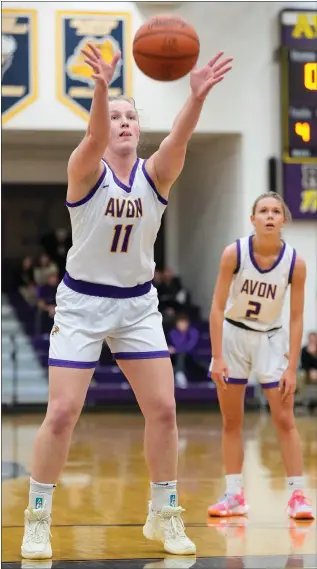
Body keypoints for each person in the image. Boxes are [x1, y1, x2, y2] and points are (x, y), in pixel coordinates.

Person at [21, 43, 233, 559]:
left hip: (137, 303)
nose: (121, 122)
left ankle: (164, 513)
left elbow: (179, 140)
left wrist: (197, 97)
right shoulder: (84, 169)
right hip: (82, 303)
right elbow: (92, 135)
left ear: (139, 128)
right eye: (114, 115)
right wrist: (100, 87)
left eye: (130, 116)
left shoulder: (155, 174)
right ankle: (38, 518)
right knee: (63, 411)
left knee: (163, 408)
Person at [207, 192, 314, 520]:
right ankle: (234, 495)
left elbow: (296, 318)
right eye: (263, 211)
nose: (269, 216)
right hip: (233, 337)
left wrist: (292, 367)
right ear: (252, 219)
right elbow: (216, 306)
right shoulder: (233, 254)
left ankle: (297, 495)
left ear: (284, 219)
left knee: (284, 419)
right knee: (231, 421)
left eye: (276, 211)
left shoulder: (295, 262)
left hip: (271, 339)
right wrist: (217, 356)